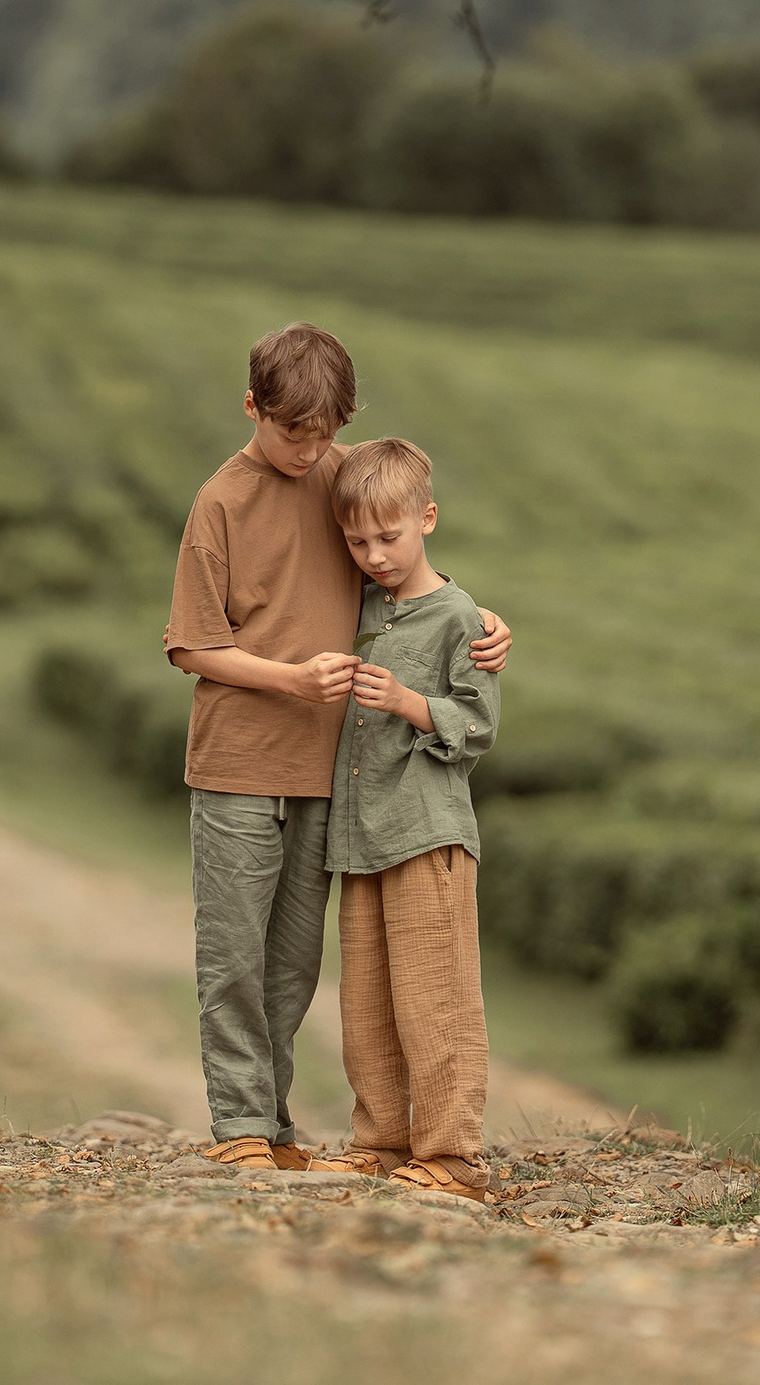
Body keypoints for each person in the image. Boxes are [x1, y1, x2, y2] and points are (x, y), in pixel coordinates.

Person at [163, 324, 508, 1170]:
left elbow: (400, 548)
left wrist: (480, 623)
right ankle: (241, 1126)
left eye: (324, 432)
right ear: (253, 407)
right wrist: (289, 681)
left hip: (329, 773)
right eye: (294, 432)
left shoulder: (341, 475)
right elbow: (192, 647)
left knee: (293, 963)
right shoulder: (220, 503)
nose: (310, 450)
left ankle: (276, 1127)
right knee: (234, 954)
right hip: (238, 760)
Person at [305, 437, 498, 1202]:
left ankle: (452, 1154)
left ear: (428, 518)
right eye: (357, 541)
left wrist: (409, 703)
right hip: (361, 834)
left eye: (389, 537)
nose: (375, 554)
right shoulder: (362, 604)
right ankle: (380, 1140)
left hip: (426, 832)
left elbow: (477, 726)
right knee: (367, 998)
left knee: (435, 997)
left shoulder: (459, 617)